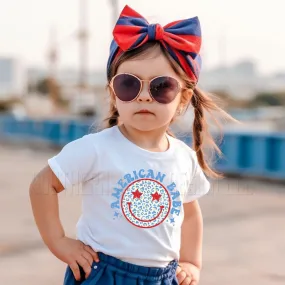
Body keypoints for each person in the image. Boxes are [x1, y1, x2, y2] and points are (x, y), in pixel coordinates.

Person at [29, 5, 235, 285]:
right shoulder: (95, 148)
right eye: (129, 85)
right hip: (103, 273)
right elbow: (42, 186)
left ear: (183, 98)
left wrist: (191, 262)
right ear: (113, 94)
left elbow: (190, 215)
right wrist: (60, 242)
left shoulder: (183, 157)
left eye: (161, 87)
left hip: (164, 277)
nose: (145, 97)